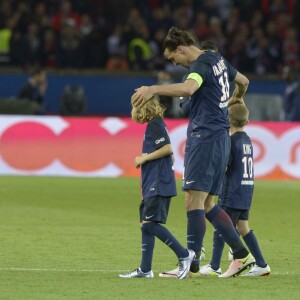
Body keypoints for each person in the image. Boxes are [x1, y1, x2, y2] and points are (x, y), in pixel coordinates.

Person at [132, 27, 255, 278]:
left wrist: (153, 89)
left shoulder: (200, 66)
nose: (174, 62)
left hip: (205, 138)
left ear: (181, 48)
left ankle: (189, 265)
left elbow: (188, 89)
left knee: (193, 201)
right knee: (208, 203)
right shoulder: (219, 60)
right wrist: (235, 99)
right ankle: (241, 256)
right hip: (221, 139)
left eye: (172, 58)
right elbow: (243, 82)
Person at [119, 96, 194, 279]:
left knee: (151, 224)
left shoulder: (155, 124)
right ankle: (145, 269)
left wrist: (143, 158)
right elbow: (170, 154)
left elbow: (168, 148)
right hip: (152, 183)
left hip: (157, 184)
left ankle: (184, 254)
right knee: (146, 226)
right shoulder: (154, 125)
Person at [200, 91, 271, 277]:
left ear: (227, 121)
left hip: (232, 190)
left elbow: (224, 166)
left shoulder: (230, 142)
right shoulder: (247, 140)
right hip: (247, 189)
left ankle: (215, 265)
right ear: (247, 122)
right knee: (243, 227)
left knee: (221, 226)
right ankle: (262, 264)